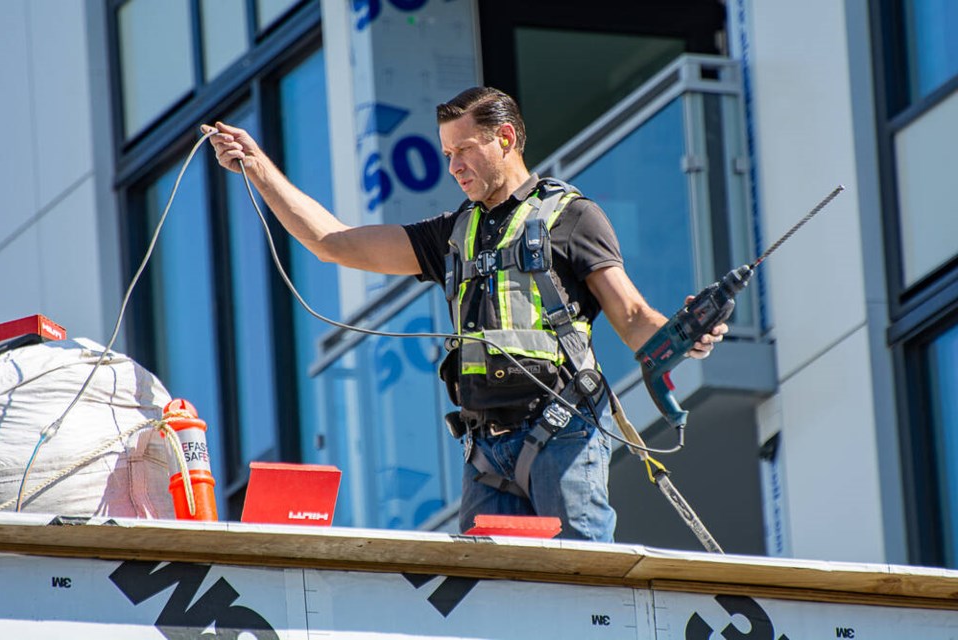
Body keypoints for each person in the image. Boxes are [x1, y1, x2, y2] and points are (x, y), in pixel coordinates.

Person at [203, 87, 726, 542]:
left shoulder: (572, 218)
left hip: (561, 435)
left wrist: (681, 336)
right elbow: (333, 243)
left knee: (586, 588)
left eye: (464, 150)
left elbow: (633, 316)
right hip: (484, 452)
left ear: (504, 139)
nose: (453, 166)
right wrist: (258, 167)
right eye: (447, 153)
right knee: (492, 606)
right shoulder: (452, 235)